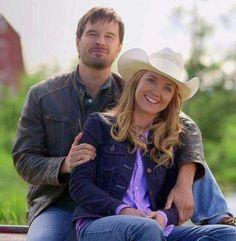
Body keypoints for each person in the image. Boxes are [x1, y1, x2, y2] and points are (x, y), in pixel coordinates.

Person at [12, 6, 234, 241]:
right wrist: (65, 164)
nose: (100, 41)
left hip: (123, 201)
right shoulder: (44, 95)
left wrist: (184, 180)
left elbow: (184, 126)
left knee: (187, 162)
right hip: (58, 200)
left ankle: (220, 218)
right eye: (92, 34)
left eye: (109, 36)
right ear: (77, 41)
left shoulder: (134, 92)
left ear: (119, 47)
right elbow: (23, 158)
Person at [69, 47, 236, 241]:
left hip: (157, 229)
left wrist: (164, 217)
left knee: (229, 235)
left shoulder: (170, 140)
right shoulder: (99, 124)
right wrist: (123, 210)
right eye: (151, 80)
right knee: (146, 229)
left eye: (167, 88)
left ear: (172, 98)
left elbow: (175, 204)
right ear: (136, 82)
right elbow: (79, 185)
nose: (157, 92)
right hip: (100, 224)